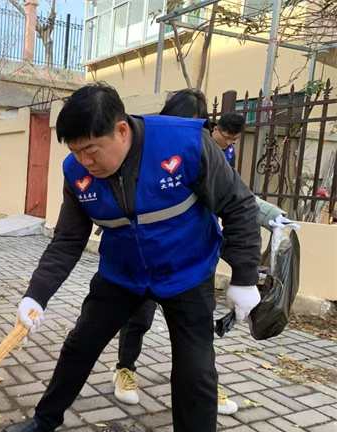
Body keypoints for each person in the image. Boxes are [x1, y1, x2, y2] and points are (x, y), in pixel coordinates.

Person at [0, 83, 263, 432]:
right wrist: (36, 295)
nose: (85, 161)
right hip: (122, 273)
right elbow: (68, 239)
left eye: (92, 150)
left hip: (186, 272)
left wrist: (244, 276)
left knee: (195, 373)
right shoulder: (76, 172)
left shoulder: (186, 144)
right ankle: (45, 420)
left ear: (121, 130)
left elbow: (239, 205)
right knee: (79, 345)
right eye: (75, 151)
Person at [113, 89, 300, 415]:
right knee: (138, 318)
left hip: (192, 260)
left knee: (195, 331)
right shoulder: (148, 148)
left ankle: (204, 386)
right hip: (149, 256)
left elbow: (237, 197)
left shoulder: (210, 152)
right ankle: (125, 369)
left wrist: (272, 216)